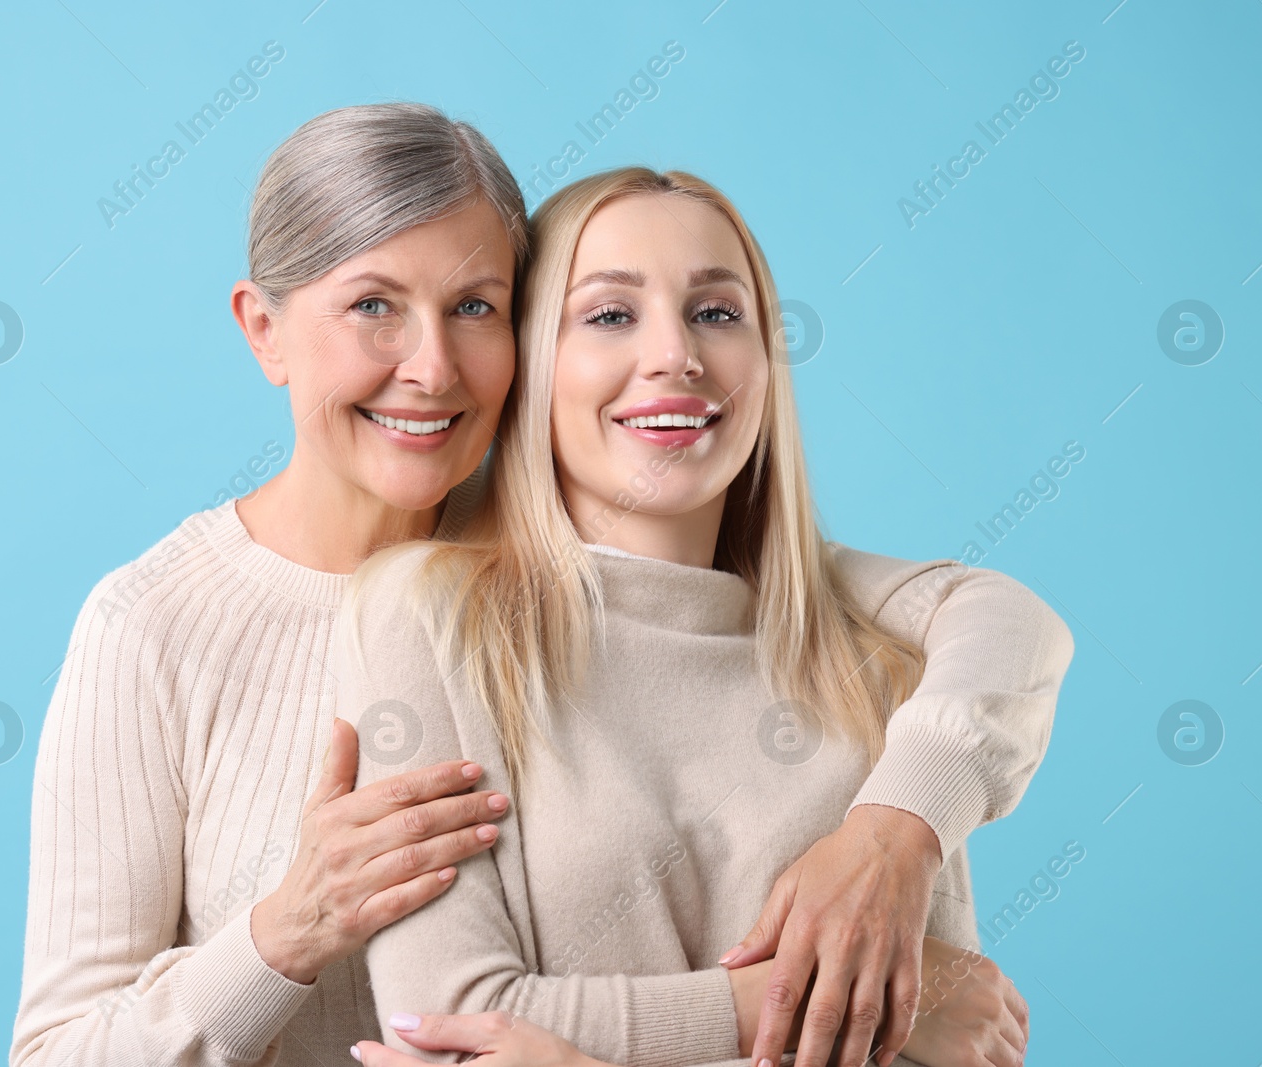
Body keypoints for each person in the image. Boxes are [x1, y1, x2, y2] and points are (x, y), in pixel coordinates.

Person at [11, 102, 1066, 1067]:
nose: (431, 367)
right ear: (264, 329)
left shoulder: (638, 564)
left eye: (474, 305)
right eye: (373, 304)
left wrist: (894, 829)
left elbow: (990, 616)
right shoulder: (161, 626)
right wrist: (282, 929)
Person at [335, 167, 1073, 1067]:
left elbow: (947, 1052)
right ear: (532, 363)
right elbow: (444, 1025)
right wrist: (816, 1003)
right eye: (609, 314)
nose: (675, 354)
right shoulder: (429, 616)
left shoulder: (876, 674)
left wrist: (893, 833)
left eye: (718, 314)